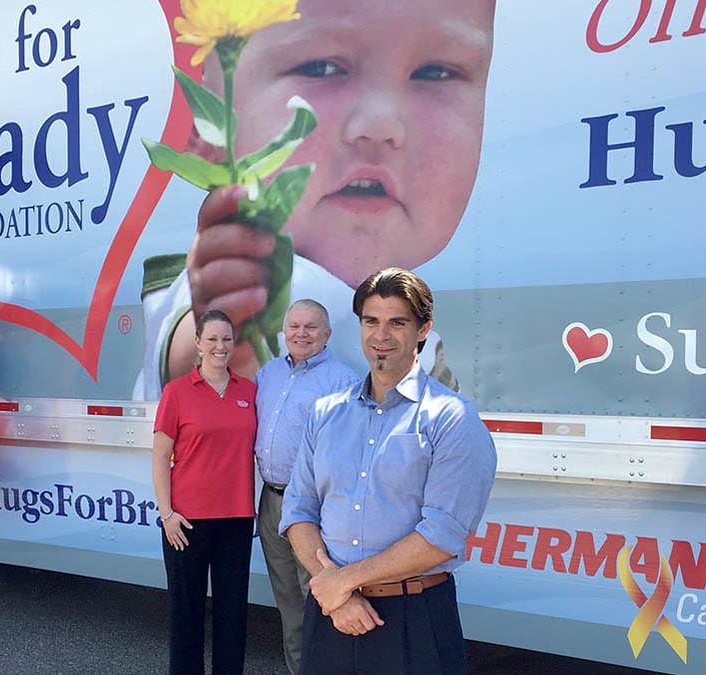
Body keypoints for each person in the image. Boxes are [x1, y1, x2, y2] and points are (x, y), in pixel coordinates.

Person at [141, 0, 495, 397]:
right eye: (321, 68)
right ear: (206, 131)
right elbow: (179, 335)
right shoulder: (239, 267)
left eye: (435, 73)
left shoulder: (421, 343)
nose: (381, 124)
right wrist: (228, 340)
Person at [280, 268, 497, 674]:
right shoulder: (326, 414)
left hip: (412, 617)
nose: (381, 335)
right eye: (371, 321)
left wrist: (341, 582)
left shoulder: (451, 418)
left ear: (423, 330)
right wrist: (337, 590)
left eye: (397, 322)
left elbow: (443, 534)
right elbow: (299, 510)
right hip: (331, 614)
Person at [255, 299, 359, 674]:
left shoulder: (342, 381)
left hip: (314, 509)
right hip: (271, 500)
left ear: (327, 334)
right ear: (284, 331)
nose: (301, 333)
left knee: (322, 598)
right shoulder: (268, 374)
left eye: (310, 327)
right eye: (294, 326)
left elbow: (348, 454)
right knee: (288, 601)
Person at [151, 309, 257, 675]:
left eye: (226, 339)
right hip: (186, 522)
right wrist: (166, 514)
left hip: (236, 521)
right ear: (198, 343)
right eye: (212, 339)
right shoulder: (177, 392)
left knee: (232, 614)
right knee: (186, 613)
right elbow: (161, 455)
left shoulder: (250, 391)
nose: (220, 346)